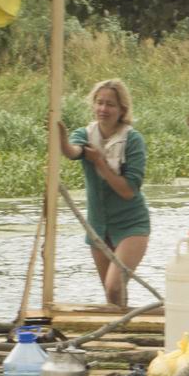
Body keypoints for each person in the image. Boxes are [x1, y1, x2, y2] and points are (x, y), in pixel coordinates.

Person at [56, 78, 150, 306]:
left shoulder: (132, 140)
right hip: (98, 225)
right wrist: (60, 136)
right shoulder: (86, 134)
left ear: (122, 110)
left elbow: (128, 191)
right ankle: (121, 332)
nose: (103, 109)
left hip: (131, 224)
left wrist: (99, 162)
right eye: (99, 103)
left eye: (110, 105)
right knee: (112, 296)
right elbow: (73, 151)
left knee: (114, 285)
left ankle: (122, 325)